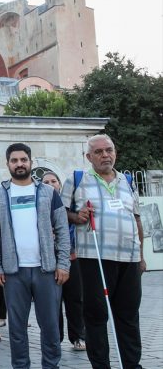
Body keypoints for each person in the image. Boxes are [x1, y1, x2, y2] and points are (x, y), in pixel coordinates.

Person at [60, 134, 146, 369]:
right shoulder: (77, 180)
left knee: (129, 315)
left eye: (109, 150)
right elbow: (60, 213)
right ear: (89, 157)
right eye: (98, 152)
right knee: (96, 315)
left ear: (115, 152)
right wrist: (77, 217)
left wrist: (141, 257)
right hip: (94, 258)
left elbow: (136, 219)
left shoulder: (127, 181)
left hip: (128, 258)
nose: (105, 155)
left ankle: (132, 364)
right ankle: (101, 365)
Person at [0, 143, 70, 369]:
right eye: (14, 160)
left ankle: (51, 365)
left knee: (51, 327)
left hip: (47, 271)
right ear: (8, 164)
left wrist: (63, 264)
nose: (19, 164)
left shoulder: (48, 193)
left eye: (23, 160)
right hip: (13, 273)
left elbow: (62, 229)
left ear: (31, 163)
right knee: (17, 329)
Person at [42, 171, 86, 352]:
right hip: (49, 262)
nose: (51, 184)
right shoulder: (40, 205)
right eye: (46, 182)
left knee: (75, 300)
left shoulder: (70, 206)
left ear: (60, 184)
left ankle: (78, 336)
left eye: (54, 181)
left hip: (72, 259)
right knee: (53, 303)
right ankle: (55, 339)